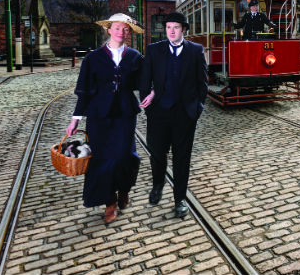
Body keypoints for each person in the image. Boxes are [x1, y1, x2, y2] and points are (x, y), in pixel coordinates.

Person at [65, 13, 144, 223]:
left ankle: (124, 189)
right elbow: (84, 91)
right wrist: (75, 120)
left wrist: (152, 93)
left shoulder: (136, 57)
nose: (122, 32)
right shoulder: (92, 58)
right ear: (108, 30)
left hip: (125, 115)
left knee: (125, 156)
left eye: (126, 29)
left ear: (130, 33)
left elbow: (146, 82)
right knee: (101, 160)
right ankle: (110, 202)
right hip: (98, 116)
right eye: (117, 28)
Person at [138, 12, 208, 218]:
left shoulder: (195, 51)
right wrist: (148, 106)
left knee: (182, 158)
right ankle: (158, 185)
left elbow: (202, 84)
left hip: (185, 115)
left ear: (184, 30)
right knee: (157, 154)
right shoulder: (153, 50)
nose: (171, 31)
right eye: (168, 27)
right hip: (158, 113)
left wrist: (196, 110)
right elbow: (144, 81)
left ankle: (180, 199)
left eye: (175, 27)